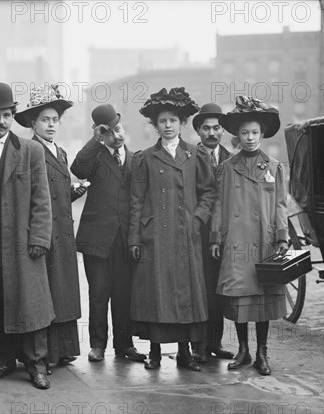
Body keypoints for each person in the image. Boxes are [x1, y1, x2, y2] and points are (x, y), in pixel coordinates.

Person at [0, 82, 55, 390]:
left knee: (31, 304)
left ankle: (37, 365)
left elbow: (41, 199)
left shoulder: (30, 150)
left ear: (13, 115)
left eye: (6, 115)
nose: (0, 121)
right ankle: (5, 360)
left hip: (24, 241)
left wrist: (40, 238)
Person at [128, 87, 215, 371]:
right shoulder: (145, 158)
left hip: (186, 237)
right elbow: (136, 200)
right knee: (156, 295)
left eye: (173, 121)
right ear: (155, 125)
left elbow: (208, 193)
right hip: (155, 237)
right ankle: (154, 351)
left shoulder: (195, 155)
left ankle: (185, 353)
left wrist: (196, 220)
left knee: (184, 294)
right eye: (162, 121)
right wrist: (135, 237)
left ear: (182, 124)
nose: (168, 126)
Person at [209, 96, 289, 376]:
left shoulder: (275, 167)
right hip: (236, 241)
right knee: (240, 297)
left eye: (255, 132)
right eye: (244, 133)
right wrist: (216, 237)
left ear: (263, 134)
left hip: (264, 241)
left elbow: (281, 204)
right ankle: (243, 349)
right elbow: (218, 204)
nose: (250, 138)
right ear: (237, 135)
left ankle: (262, 352)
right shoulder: (226, 168)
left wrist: (281, 237)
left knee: (262, 299)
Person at [15, 84, 87, 368]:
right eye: (45, 120)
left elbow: (58, 194)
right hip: (44, 232)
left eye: (55, 120)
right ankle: (44, 353)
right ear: (33, 123)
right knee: (47, 292)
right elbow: (32, 196)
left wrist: (74, 192)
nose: (51, 125)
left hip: (64, 233)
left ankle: (65, 349)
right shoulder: (28, 150)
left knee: (65, 290)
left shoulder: (61, 152)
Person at [71, 104, 146, 363]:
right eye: (110, 131)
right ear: (101, 133)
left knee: (124, 294)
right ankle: (97, 345)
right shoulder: (95, 156)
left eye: (119, 128)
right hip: (97, 238)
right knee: (99, 293)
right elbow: (78, 169)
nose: (117, 134)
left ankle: (125, 345)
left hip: (126, 239)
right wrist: (95, 140)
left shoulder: (136, 159)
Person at [190, 103, 234, 362]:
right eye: (206, 128)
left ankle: (215, 342)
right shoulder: (190, 157)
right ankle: (199, 345)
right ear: (198, 131)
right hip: (198, 231)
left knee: (219, 289)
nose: (211, 133)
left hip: (225, 233)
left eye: (216, 128)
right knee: (200, 288)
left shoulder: (231, 158)